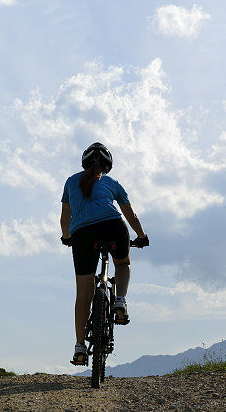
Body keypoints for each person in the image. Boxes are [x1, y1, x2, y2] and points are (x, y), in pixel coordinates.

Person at [60, 142, 148, 366]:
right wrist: (141, 236)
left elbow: (64, 220)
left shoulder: (71, 182)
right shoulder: (112, 183)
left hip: (81, 235)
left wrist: (66, 237)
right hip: (113, 226)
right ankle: (119, 301)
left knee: (84, 293)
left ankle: (80, 347)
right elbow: (131, 216)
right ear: (108, 165)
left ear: (84, 162)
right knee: (123, 264)